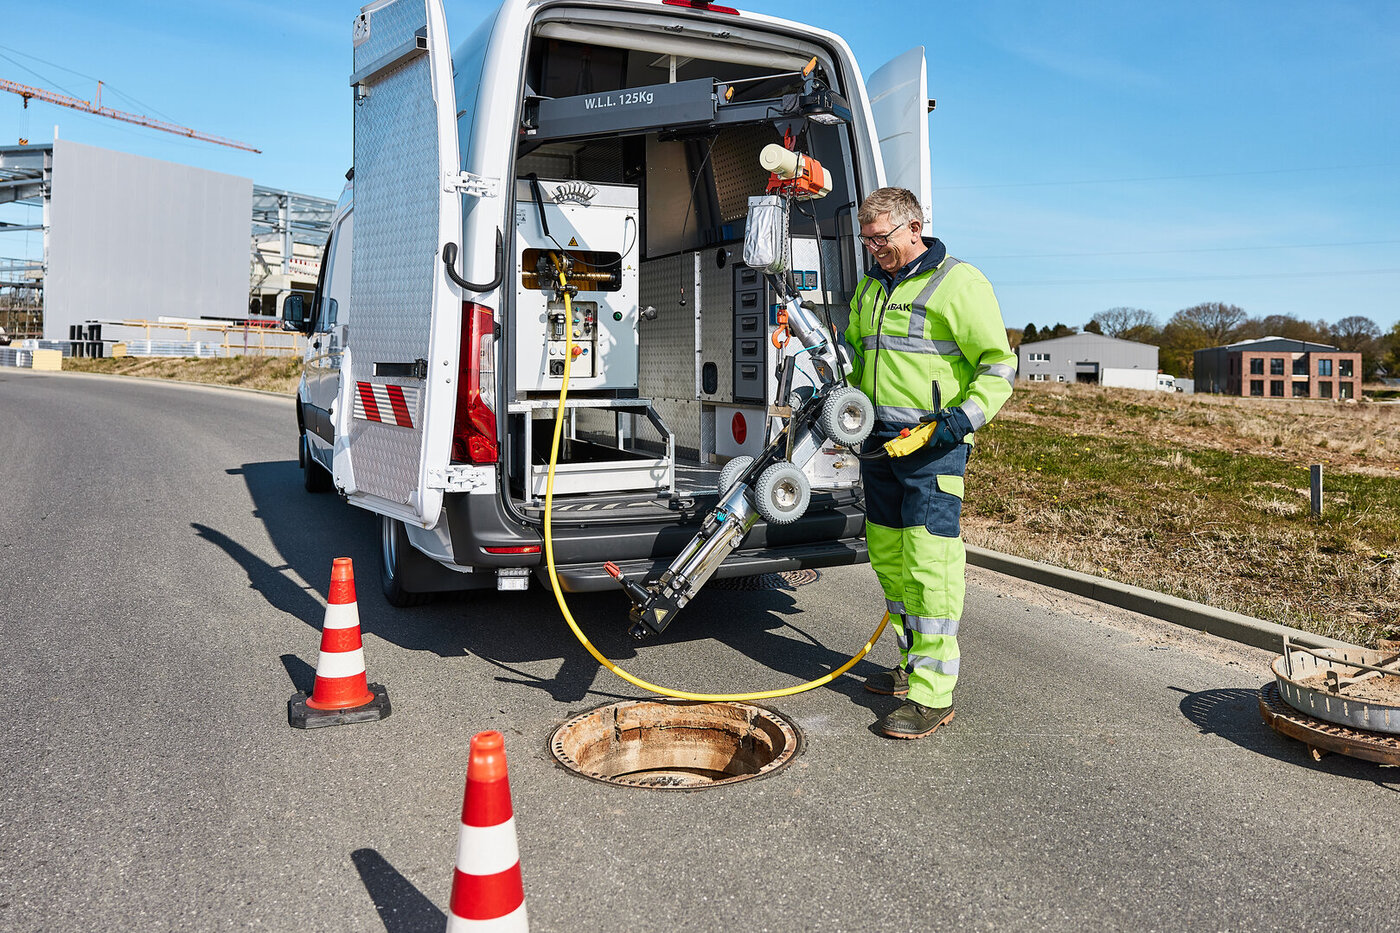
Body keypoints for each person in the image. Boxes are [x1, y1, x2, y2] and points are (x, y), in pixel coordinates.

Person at [842, 187, 1016, 739]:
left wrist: (957, 423)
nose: (874, 249)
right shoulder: (870, 286)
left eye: (882, 238)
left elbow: (998, 367)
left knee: (929, 565)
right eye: (866, 239)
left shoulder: (960, 283)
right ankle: (911, 665)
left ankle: (933, 695)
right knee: (890, 561)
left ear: (915, 227)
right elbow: (853, 358)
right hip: (879, 446)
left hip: (933, 449)